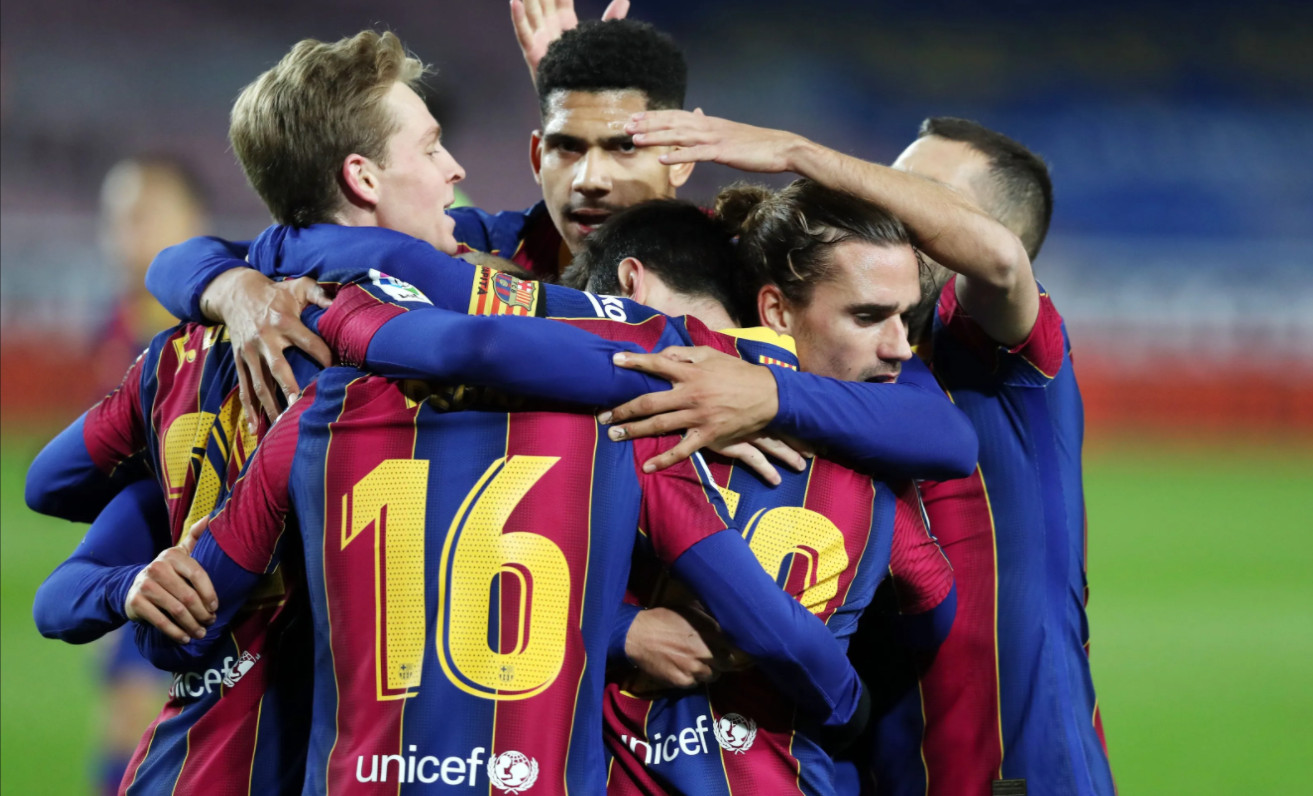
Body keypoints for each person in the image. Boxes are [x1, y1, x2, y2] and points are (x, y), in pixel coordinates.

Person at [566, 191, 957, 796]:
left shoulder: (607, 426)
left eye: (905, 318)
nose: (900, 347)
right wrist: (845, 692)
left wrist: (620, 631)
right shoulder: (872, 475)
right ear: (773, 309)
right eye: (867, 316)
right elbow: (932, 605)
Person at [142, 10, 691, 428]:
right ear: (536, 156)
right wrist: (236, 287)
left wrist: (775, 396)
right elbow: (188, 260)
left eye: (623, 148)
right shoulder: (493, 240)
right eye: (566, 147)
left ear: (684, 155)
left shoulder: (724, 262)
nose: (589, 177)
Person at [856, 118, 1114, 796]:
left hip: (1020, 770)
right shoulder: (858, 350)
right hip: (888, 764)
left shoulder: (1005, 355)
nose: (887, 203)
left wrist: (791, 152)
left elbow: (998, 264)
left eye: (918, 192)